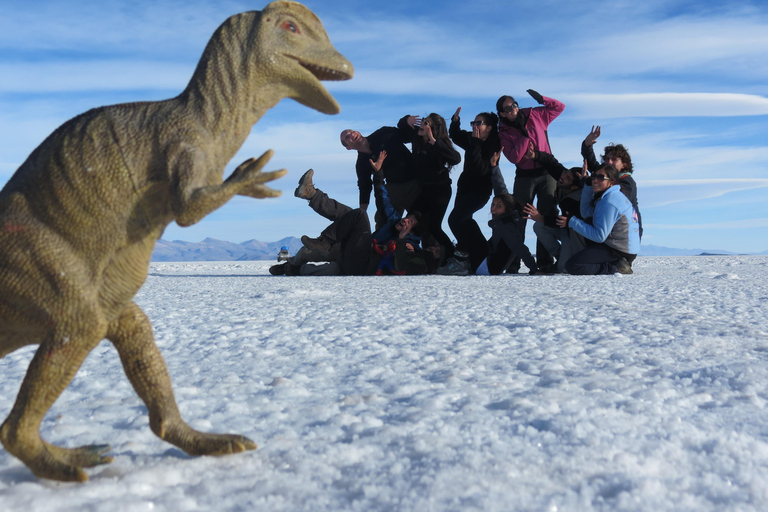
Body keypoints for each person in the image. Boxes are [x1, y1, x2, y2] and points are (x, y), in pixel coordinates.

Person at [270, 165, 435, 276]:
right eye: (408, 217)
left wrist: (402, 241)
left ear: (413, 231)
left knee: (358, 216)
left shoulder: (411, 246)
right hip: (356, 252)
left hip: (362, 263)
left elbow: (401, 265)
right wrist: (378, 173)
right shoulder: (393, 220)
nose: (405, 220)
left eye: (411, 223)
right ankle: (289, 266)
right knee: (307, 253)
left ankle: (324, 239)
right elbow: (382, 199)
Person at [497, 89, 565, 269]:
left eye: (514, 105)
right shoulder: (503, 131)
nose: (512, 109)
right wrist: (524, 136)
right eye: (507, 108)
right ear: (501, 113)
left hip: (546, 172)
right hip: (525, 176)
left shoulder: (535, 114)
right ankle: (514, 263)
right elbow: (514, 157)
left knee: (547, 214)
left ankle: (545, 262)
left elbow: (559, 107)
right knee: (519, 217)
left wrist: (543, 99)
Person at [440, 108, 501, 275]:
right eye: (473, 123)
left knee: (455, 219)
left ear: (488, 127)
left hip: (480, 190)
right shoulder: (471, 138)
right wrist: (455, 120)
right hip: (464, 188)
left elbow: (480, 169)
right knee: (466, 222)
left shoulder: (493, 145)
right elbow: (455, 134)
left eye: (478, 123)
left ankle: (462, 259)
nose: (474, 126)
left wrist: (476, 143)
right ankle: (480, 258)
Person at [557, 163, 640, 275]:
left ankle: (615, 267)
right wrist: (587, 185)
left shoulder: (610, 201)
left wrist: (572, 222)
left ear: (612, 182)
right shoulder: (608, 196)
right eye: (593, 177)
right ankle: (616, 263)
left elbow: (599, 236)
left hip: (619, 250)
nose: (595, 180)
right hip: (620, 246)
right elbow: (586, 213)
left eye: (601, 178)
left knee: (573, 265)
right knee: (588, 222)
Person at [397, 113, 461, 257]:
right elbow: (401, 128)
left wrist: (434, 141)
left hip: (440, 190)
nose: (423, 125)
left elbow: (456, 159)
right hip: (424, 190)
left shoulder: (439, 144)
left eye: (427, 123)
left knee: (434, 227)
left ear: (434, 129)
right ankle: (407, 253)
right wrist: (406, 119)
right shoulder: (417, 139)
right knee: (409, 220)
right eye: (423, 121)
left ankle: (450, 255)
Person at [522, 143, 585, 273]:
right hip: (566, 230)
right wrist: (535, 155)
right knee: (539, 226)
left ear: (574, 187)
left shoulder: (578, 199)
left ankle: (565, 259)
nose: (562, 177)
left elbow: (564, 221)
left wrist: (541, 217)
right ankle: (560, 254)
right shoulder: (564, 183)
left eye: (567, 178)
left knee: (564, 268)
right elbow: (551, 162)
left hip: (578, 236)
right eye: (565, 173)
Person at [340, 126, 418, 229]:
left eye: (351, 131)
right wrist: (361, 214)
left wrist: (406, 122)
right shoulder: (362, 164)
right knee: (382, 220)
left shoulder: (383, 134)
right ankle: (380, 244)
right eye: (347, 137)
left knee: (421, 219)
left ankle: (433, 245)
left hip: (415, 181)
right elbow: (365, 187)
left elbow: (408, 135)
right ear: (349, 147)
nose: (352, 134)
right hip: (393, 186)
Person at [581, 125, 643, 240]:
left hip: (626, 235)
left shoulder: (627, 182)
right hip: (611, 231)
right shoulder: (605, 176)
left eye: (614, 159)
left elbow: (614, 197)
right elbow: (591, 162)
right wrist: (587, 145)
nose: (609, 162)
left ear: (624, 164)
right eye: (606, 159)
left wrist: (588, 181)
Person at [473, 194, 539, 275]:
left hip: (487, 268)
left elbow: (519, 247)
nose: (493, 209)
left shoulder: (506, 225)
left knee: (467, 224)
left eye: (498, 206)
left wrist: (534, 269)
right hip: (486, 265)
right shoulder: (506, 222)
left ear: (508, 209)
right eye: (492, 204)